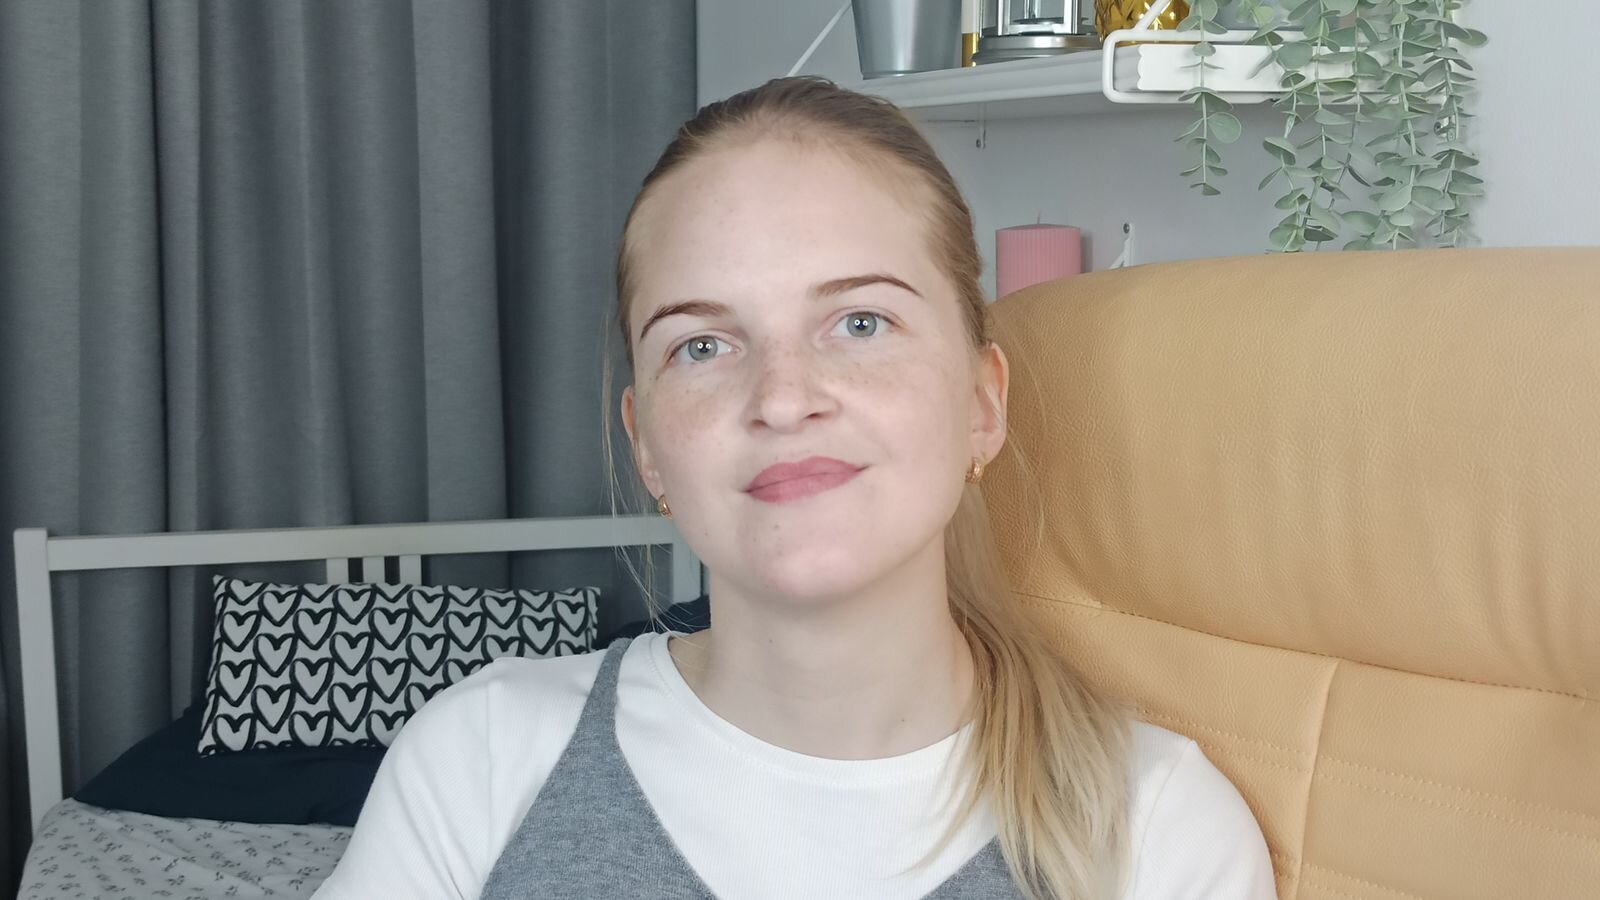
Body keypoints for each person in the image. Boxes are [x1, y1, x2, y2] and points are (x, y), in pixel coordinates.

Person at [313, 76, 1276, 900]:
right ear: (647, 448)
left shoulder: (1155, 832)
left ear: (982, 403)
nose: (781, 398)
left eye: (859, 324)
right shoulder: (479, 762)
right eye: (702, 346)